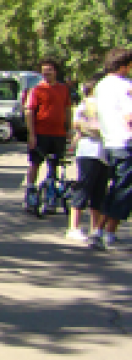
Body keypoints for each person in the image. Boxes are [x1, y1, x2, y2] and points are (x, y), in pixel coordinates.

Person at [93, 48, 132, 250]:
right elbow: (129, 116)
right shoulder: (125, 85)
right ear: (124, 65)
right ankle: (107, 232)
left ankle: (101, 231)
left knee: (117, 186)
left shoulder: (101, 85)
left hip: (110, 141)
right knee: (123, 189)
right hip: (126, 140)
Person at [24, 58, 72, 207]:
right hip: (41, 133)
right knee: (35, 163)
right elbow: (29, 111)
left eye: (49, 69)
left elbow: (68, 109)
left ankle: (51, 194)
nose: (46, 72)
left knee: (55, 164)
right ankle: (30, 191)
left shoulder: (63, 89)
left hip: (59, 134)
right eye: (44, 70)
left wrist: (69, 128)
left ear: (55, 71)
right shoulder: (37, 90)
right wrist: (31, 134)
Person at [67, 76, 107, 244]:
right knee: (84, 187)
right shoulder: (86, 104)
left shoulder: (105, 105)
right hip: (89, 151)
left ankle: (95, 229)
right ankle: (74, 227)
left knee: (99, 191)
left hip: (104, 153)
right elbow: (77, 124)